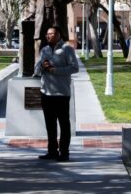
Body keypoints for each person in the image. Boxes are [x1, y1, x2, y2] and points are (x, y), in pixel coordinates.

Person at [34, 26, 79, 162]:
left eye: (51, 34)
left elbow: (74, 67)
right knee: (50, 124)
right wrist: (42, 66)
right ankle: (52, 151)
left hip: (61, 93)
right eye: (47, 34)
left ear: (58, 35)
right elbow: (36, 70)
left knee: (64, 124)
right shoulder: (44, 50)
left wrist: (55, 70)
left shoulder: (67, 49)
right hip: (46, 93)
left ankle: (64, 152)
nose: (48, 36)